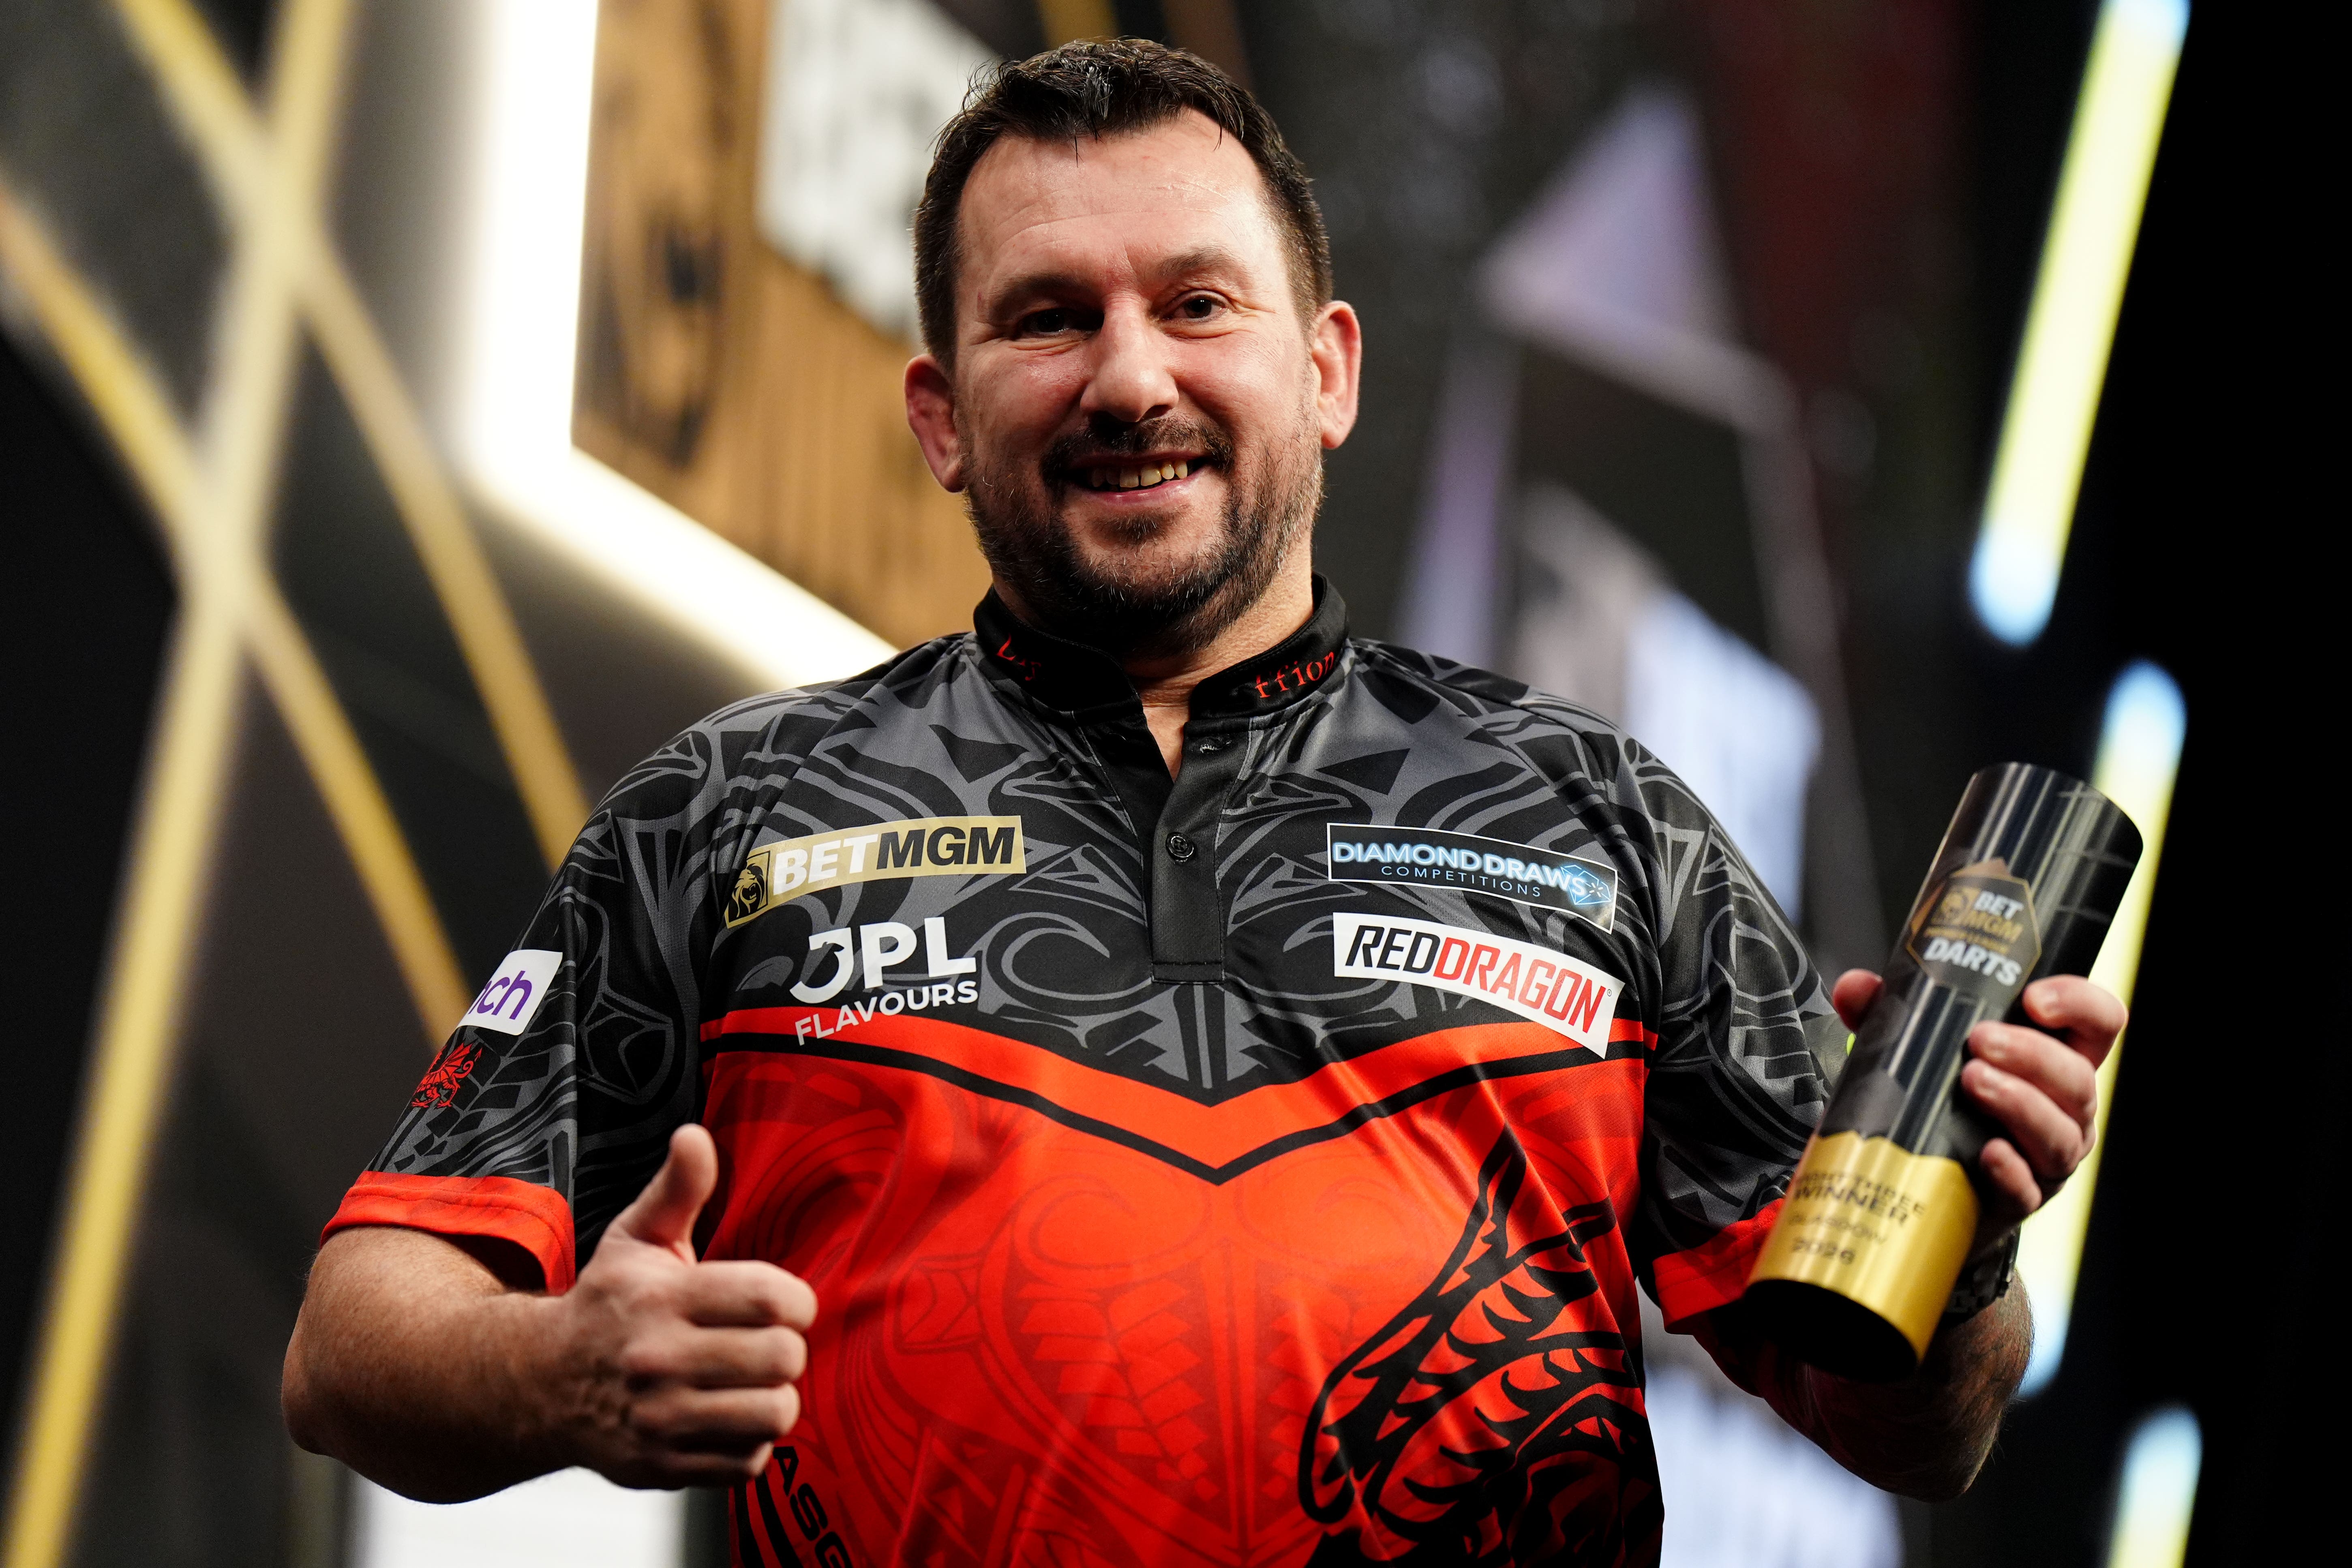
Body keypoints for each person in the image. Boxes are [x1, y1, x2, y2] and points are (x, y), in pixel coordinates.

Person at [284, 40, 2125, 1566]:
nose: (1129, 375)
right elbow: (353, 1335)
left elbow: (1914, 1431)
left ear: (1321, 371)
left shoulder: (1597, 817)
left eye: (1195, 303)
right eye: (1045, 318)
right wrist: (559, 1375)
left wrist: (1967, 1247)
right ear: (937, 413)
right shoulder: (734, 804)